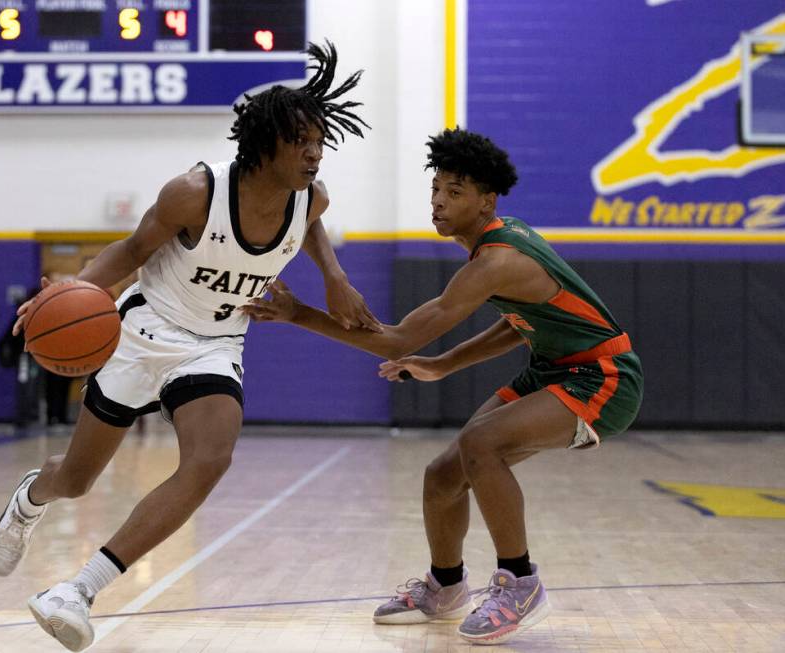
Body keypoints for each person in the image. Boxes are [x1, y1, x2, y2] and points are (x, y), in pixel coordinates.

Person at [0, 41, 378, 652]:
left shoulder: (311, 197)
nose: (314, 152)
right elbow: (132, 252)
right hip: (143, 333)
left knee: (211, 457)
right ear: (265, 141)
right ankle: (30, 501)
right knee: (77, 479)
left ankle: (78, 591)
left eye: (320, 139)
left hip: (214, 344)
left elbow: (311, 223)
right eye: (301, 140)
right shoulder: (195, 192)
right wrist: (71, 288)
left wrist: (334, 276)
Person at [244, 128, 644, 646]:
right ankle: (446, 588)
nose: (438, 200)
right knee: (441, 477)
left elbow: (396, 340)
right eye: (436, 188)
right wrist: (444, 364)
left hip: (603, 377)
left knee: (482, 444)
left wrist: (299, 313)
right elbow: (518, 322)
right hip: (553, 369)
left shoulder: (495, 260)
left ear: (486, 201)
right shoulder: (500, 243)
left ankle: (522, 584)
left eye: (455, 192)